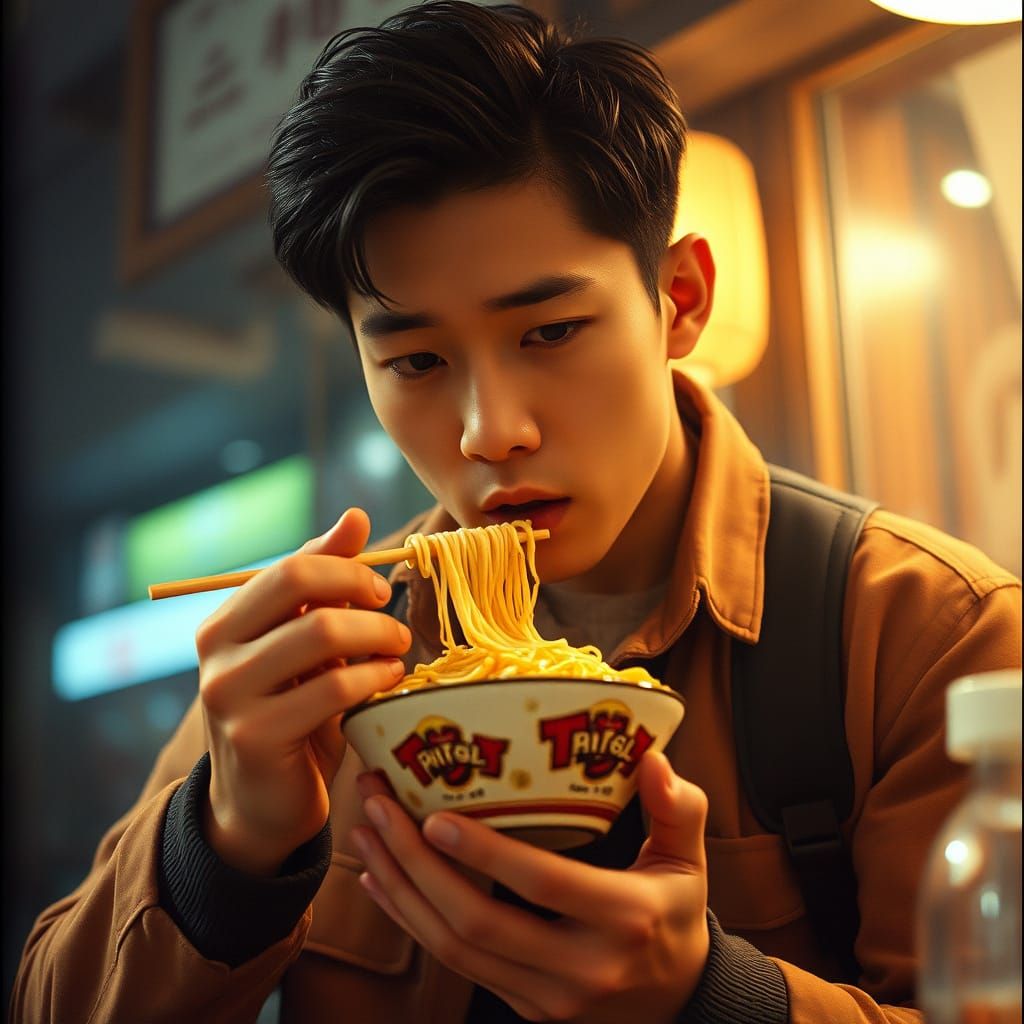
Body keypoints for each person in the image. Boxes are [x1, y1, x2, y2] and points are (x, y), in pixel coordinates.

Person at [11, 2, 1021, 1022]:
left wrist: (713, 999)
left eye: (549, 331)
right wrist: (222, 840)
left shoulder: (925, 631)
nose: (490, 431)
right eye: (415, 360)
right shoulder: (338, 650)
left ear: (678, 298)